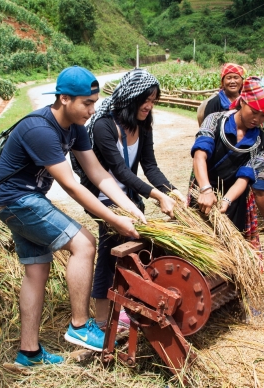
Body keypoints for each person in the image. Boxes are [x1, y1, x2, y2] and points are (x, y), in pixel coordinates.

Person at [0, 66, 144, 366]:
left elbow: (97, 173)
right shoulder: (40, 129)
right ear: (63, 98)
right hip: (16, 200)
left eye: (95, 102)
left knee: (36, 272)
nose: (92, 109)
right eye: (86, 103)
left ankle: (29, 353)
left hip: (23, 199)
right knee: (84, 244)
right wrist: (115, 221)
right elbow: (72, 186)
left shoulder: (74, 128)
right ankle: (79, 326)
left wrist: (129, 207)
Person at [80, 69, 186, 329]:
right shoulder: (105, 125)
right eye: (145, 99)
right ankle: (103, 318)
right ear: (130, 98)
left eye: (153, 100)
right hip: (104, 198)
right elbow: (120, 171)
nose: (149, 105)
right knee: (110, 250)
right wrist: (156, 195)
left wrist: (171, 191)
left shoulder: (143, 125)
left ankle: (125, 306)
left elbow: (150, 167)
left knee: (135, 250)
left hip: (128, 199)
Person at [189, 76, 264, 250]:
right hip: (202, 191)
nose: (257, 119)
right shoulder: (214, 120)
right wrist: (205, 189)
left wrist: (226, 201)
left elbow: (244, 178)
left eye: (263, 115)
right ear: (243, 101)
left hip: (234, 200)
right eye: (253, 111)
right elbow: (199, 155)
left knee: (228, 248)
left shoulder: (261, 143)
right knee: (199, 243)